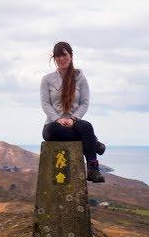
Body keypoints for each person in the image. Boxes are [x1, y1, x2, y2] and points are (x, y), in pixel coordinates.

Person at [40, 41, 106, 183]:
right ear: (54, 58)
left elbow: (84, 102)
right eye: (58, 56)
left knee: (86, 126)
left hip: (74, 122)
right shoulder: (47, 80)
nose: (61, 59)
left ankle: (93, 170)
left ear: (71, 56)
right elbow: (45, 103)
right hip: (54, 124)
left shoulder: (80, 78)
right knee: (51, 131)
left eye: (64, 55)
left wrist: (73, 119)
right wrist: (58, 119)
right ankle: (93, 143)